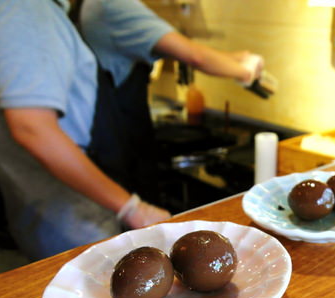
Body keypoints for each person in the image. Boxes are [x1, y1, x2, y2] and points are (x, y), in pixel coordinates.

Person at [0, 0, 171, 260]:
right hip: (71, 215)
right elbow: (32, 127)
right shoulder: (21, 7)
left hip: (42, 206)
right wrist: (132, 208)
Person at [70, 0, 264, 197]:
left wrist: (235, 58)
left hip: (110, 142)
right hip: (121, 149)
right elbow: (194, 56)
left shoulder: (90, 5)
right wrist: (245, 72)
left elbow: (189, 50)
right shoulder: (113, 4)